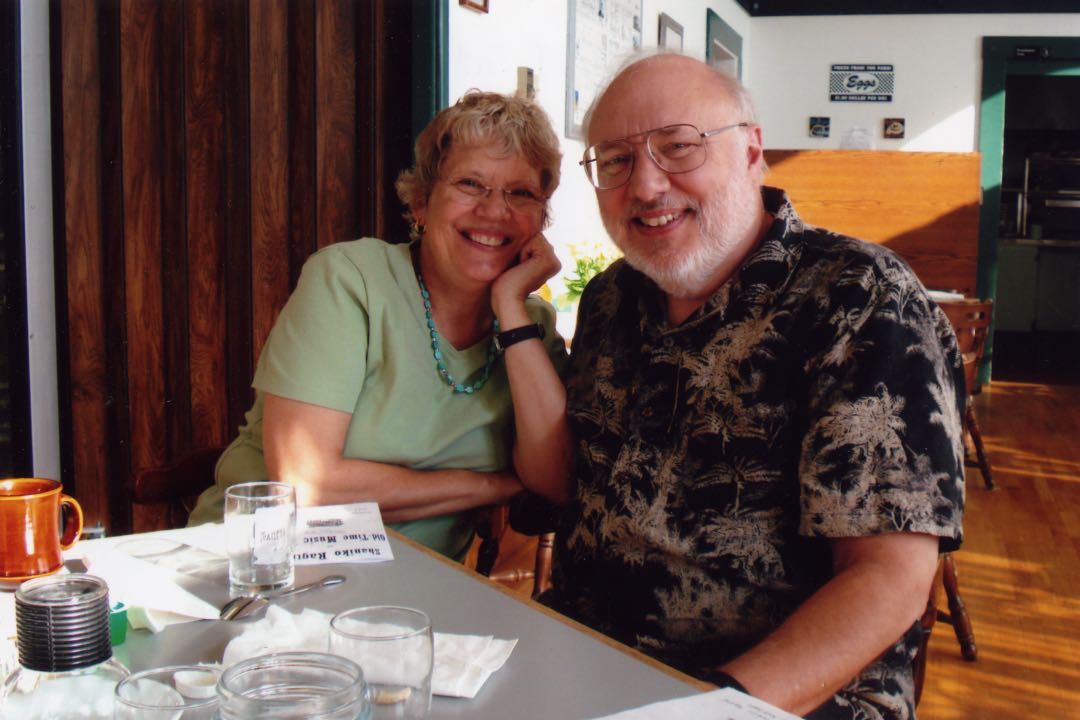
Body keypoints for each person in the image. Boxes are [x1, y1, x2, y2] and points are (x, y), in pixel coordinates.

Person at [527, 53, 966, 719]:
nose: (646, 185)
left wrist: (710, 709)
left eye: (677, 147)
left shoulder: (858, 298)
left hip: (781, 697)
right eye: (614, 161)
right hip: (583, 666)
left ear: (752, 151)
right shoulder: (610, 300)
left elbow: (890, 578)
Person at [189, 91, 569, 561]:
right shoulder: (350, 280)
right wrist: (492, 487)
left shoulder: (529, 330)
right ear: (421, 203)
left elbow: (552, 480)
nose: (495, 210)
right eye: (471, 184)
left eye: (521, 193)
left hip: (410, 600)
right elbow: (303, 482)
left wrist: (511, 309)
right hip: (258, 568)